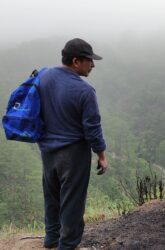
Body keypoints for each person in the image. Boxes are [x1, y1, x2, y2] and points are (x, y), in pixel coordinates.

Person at [38, 38, 108, 249]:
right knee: (73, 200)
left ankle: (51, 239)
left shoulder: (44, 77)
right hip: (73, 153)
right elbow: (92, 128)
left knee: (52, 194)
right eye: (89, 60)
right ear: (76, 61)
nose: (93, 65)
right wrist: (102, 155)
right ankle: (67, 244)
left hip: (47, 149)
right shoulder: (85, 91)